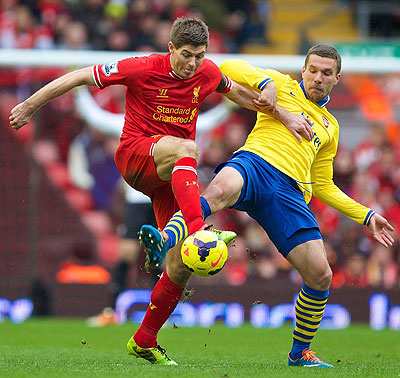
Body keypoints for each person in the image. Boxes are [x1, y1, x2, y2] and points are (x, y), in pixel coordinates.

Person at [9, 17, 313, 365]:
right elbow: (79, 75)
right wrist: (30, 104)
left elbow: (239, 94)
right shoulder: (142, 68)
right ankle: (199, 231)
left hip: (170, 176)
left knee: (180, 265)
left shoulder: (207, 72)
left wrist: (283, 114)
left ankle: (144, 338)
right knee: (188, 149)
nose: (192, 63)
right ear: (170, 49)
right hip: (136, 157)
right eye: (186, 55)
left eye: (199, 55)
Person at [141, 45, 395, 367]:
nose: (318, 77)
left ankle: (299, 354)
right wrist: (265, 85)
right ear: (303, 71)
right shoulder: (281, 84)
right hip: (256, 164)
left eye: (326, 73)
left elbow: (324, 185)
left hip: (291, 193)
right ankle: (164, 240)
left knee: (321, 274)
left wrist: (367, 215)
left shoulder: (330, 128)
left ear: (337, 78)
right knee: (219, 190)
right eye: (313, 70)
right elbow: (228, 67)